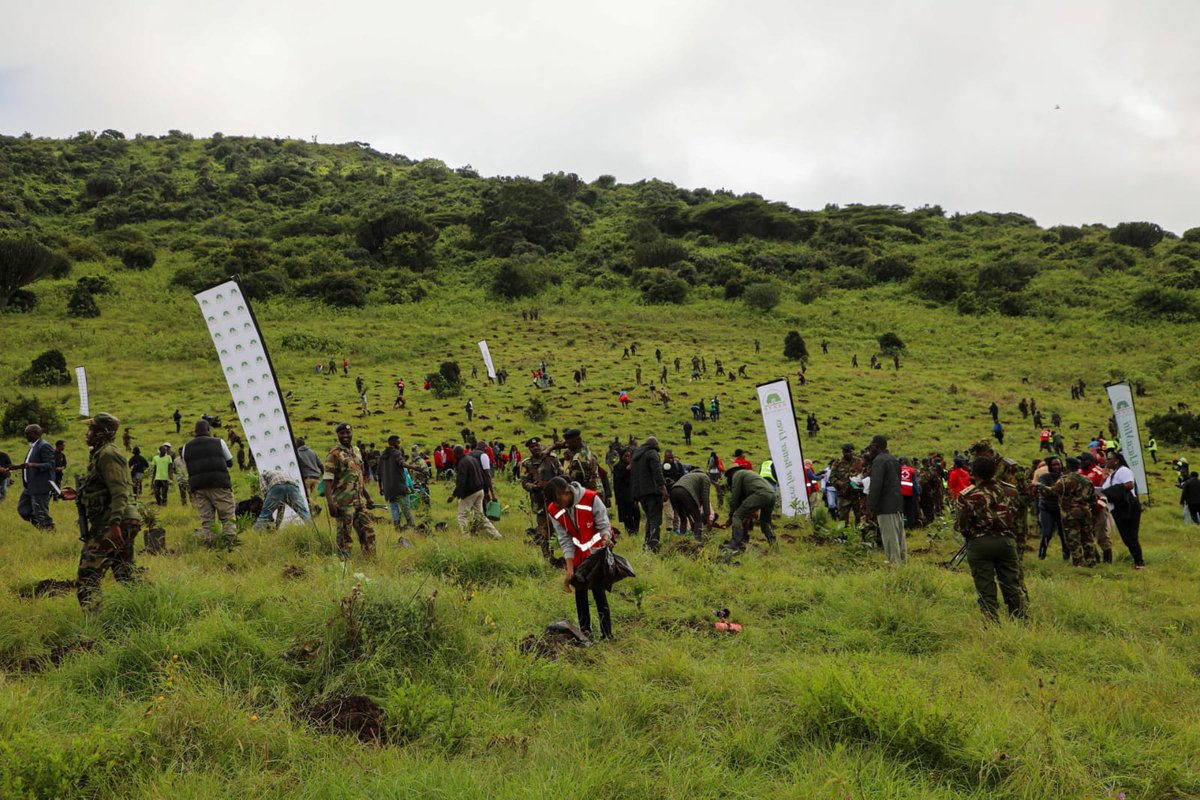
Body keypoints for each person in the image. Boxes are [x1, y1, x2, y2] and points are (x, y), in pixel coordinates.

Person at [75, 413, 142, 609]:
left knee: (87, 580)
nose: (87, 434)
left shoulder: (108, 454)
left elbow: (120, 491)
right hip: (119, 521)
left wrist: (114, 524)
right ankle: (148, 607)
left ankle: (94, 627)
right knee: (126, 574)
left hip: (113, 522)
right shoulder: (101, 453)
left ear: (102, 433)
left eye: (91, 430)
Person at [954, 455, 1027, 623]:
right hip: (1006, 542)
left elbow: (962, 525)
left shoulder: (967, 495)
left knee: (985, 587)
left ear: (973, 472)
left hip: (979, 544)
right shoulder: (1010, 491)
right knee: (1011, 585)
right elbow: (1017, 517)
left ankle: (991, 623)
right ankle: (1020, 621)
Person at [545, 476, 614, 640]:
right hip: (577, 556)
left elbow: (604, 525)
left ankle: (607, 635)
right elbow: (564, 539)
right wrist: (569, 569)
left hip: (596, 555)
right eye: (553, 502)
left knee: (599, 593)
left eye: (557, 500)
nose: (556, 505)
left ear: (566, 492)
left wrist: (606, 538)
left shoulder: (591, 498)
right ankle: (584, 634)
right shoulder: (554, 510)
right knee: (580, 592)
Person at [323, 423, 377, 556]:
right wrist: (330, 503)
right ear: (338, 435)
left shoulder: (356, 451)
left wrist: (368, 497)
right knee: (345, 537)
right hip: (343, 503)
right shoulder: (334, 454)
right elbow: (327, 480)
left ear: (352, 433)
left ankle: (371, 562)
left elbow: (358, 476)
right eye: (342, 433)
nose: (345, 436)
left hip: (359, 502)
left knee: (368, 532)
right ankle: (343, 566)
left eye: (348, 433)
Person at [521, 437, 563, 561]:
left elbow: (562, 475)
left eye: (537, 445)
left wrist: (552, 484)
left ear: (541, 445)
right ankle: (547, 556)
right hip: (539, 501)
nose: (535, 448)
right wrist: (535, 487)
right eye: (532, 447)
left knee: (560, 526)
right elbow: (524, 483)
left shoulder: (553, 459)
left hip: (556, 499)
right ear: (529, 449)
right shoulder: (526, 463)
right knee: (544, 529)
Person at [721, 464, 777, 553]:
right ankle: (773, 543)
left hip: (760, 494)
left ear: (732, 472)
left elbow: (735, 498)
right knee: (765, 521)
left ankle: (735, 543)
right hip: (771, 495)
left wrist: (731, 516)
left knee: (737, 515)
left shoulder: (737, 475)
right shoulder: (749, 475)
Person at [1053, 457, 1098, 567]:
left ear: (1067, 467)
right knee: (1088, 538)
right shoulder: (1087, 480)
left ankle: (1079, 562)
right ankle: (1091, 561)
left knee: (1074, 539)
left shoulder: (1064, 480)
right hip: (1086, 512)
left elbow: (1054, 491)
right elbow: (1093, 499)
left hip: (1071, 514)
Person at [866, 436, 905, 564]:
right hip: (897, 503)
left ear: (876, 446)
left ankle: (895, 568)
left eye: (871, 447)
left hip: (885, 506)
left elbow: (876, 485)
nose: (869, 450)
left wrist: (870, 506)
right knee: (899, 538)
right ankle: (902, 564)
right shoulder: (893, 459)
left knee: (890, 539)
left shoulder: (879, 461)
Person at [1102, 452, 1144, 569]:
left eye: (1109, 459)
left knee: (1131, 536)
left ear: (1116, 460)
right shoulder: (1112, 475)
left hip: (1128, 507)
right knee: (1126, 537)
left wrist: (1112, 490)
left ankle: (1139, 562)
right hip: (1117, 508)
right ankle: (1136, 560)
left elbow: (1129, 485)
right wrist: (1104, 478)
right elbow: (1103, 489)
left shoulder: (1123, 471)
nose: (1106, 461)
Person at [451, 444, 501, 539]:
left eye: (454, 453)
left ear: (457, 453)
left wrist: (454, 495)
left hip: (470, 492)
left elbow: (462, 480)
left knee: (462, 515)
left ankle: (466, 538)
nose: (453, 455)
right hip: (480, 490)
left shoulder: (462, 462)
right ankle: (496, 535)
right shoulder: (471, 459)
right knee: (480, 516)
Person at [14, 424, 57, 531]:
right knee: (23, 509)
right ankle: (41, 526)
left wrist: (33, 465)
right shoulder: (34, 446)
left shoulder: (44, 445)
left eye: (27, 433)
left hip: (40, 486)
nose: (25, 436)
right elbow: (28, 464)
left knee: (41, 512)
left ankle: (49, 531)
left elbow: (50, 465)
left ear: (35, 433)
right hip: (30, 486)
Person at [631, 436, 668, 552]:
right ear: (655, 445)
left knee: (649, 518)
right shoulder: (652, 453)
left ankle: (647, 544)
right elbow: (657, 472)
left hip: (641, 493)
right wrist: (663, 488)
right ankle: (653, 545)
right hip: (652, 491)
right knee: (656, 519)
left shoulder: (636, 456)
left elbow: (634, 476)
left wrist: (635, 496)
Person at [376, 436, 413, 529]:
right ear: (395, 443)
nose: (399, 445)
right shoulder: (397, 453)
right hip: (399, 487)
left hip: (388, 489)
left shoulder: (382, 456)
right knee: (405, 507)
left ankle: (397, 527)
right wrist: (414, 467)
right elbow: (402, 463)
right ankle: (411, 525)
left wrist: (380, 487)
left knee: (394, 508)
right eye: (398, 442)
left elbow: (379, 474)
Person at [1035, 457, 1065, 560]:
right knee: (1047, 532)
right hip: (1046, 508)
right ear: (1050, 466)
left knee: (1063, 533)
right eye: (1054, 465)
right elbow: (1044, 490)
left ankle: (1066, 555)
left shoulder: (1065, 477)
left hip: (1061, 509)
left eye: (1058, 464)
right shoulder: (1044, 477)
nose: (1057, 466)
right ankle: (1041, 554)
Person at [670, 468, 712, 541]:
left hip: (673, 491)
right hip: (685, 492)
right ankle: (697, 541)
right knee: (698, 520)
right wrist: (708, 518)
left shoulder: (688, 476)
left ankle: (681, 540)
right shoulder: (705, 477)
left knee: (683, 519)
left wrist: (690, 519)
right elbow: (705, 498)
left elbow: (687, 504)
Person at [295, 437, 323, 508]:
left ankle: (316, 507)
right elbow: (320, 464)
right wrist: (324, 474)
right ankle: (313, 513)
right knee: (311, 498)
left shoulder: (297, 453)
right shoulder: (312, 452)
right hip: (316, 478)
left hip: (307, 478)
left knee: (305, 497)